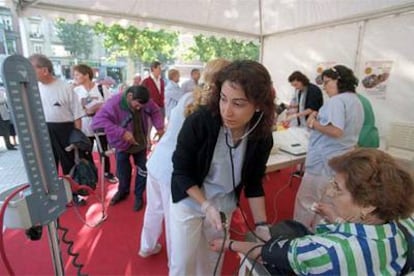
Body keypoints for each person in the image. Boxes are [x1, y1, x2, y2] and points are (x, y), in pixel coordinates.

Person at [210, 148, 414, 275]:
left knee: (279, 235)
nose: (330, 193)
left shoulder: (324, 251)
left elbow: (265, 254)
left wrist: (229, 244)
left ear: (368, 205)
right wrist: (337, 220)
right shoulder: (407, 225)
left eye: (338, 189)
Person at [169, 60, 276, 275]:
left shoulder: (261, 136)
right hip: (190, 199)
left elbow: (254, 182)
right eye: (223, 99)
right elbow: (181, 171)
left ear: (258, 105)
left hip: (224, 202)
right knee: (182, 264)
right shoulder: (199, 121)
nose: (227, 111)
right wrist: (205, 205)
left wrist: (262, 224)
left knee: (212, 261)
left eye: (238, 104)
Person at [138, 59, 231, 264]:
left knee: (154, 209)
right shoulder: (210, 107)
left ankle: (147, 246)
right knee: (175, 223)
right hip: (173, 168)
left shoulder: (190, 96)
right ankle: (174, 262)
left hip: (158, 161)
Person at [293, 65, 364, 230]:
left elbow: (336, 130)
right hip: (340, 160)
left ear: (338, 80)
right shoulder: (355, 100)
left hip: (323, 162)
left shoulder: (337, 101)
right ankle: (319, 234)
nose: (324, 87)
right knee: (327, 204)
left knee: (306, 201)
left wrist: (313, 123)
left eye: (326, 82)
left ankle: (297, 235)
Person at [92, 85, 164, 211]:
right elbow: (97, 122)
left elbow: (155, 111)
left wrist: (160, 127)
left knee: (143, 170)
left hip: (140, 142)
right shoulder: (113, 103)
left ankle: (138, 195)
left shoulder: (144, 101)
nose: (139, 108)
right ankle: (123, 191)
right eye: (137, 105)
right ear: (130, 96)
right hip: (121, 143)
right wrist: (121, 132)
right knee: (123, 171)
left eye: (141, 107)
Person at [29, 54, 85, 203]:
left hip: (65, 130)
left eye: (32, 68)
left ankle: (73, 194)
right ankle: (51, 195)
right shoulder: (33, 88)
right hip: (43, 130)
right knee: (48, 165)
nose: (29, 71)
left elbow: (77, 115)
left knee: (69, 164)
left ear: (45, 70)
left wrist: (76, 139)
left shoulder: (65, 88)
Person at [73, 64, 117, 183]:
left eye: (77, 74)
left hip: (100, 126)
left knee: (103, 149)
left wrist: (99, 108)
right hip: (84, 126)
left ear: (86, 75)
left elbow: (111, 105)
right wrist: (86, 111)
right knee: (85, 152)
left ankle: (107, 172)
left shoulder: (101, 88)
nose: (75, 77)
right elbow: (73, 109)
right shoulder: (76, 91)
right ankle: (90, 174)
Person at [0, 85, 16, 150]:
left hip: (3, 113)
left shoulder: (2, 89)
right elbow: (4, 100)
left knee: (6, 130)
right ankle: (8, 145)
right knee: (5, 130)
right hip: (1, 114)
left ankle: (8, 144)